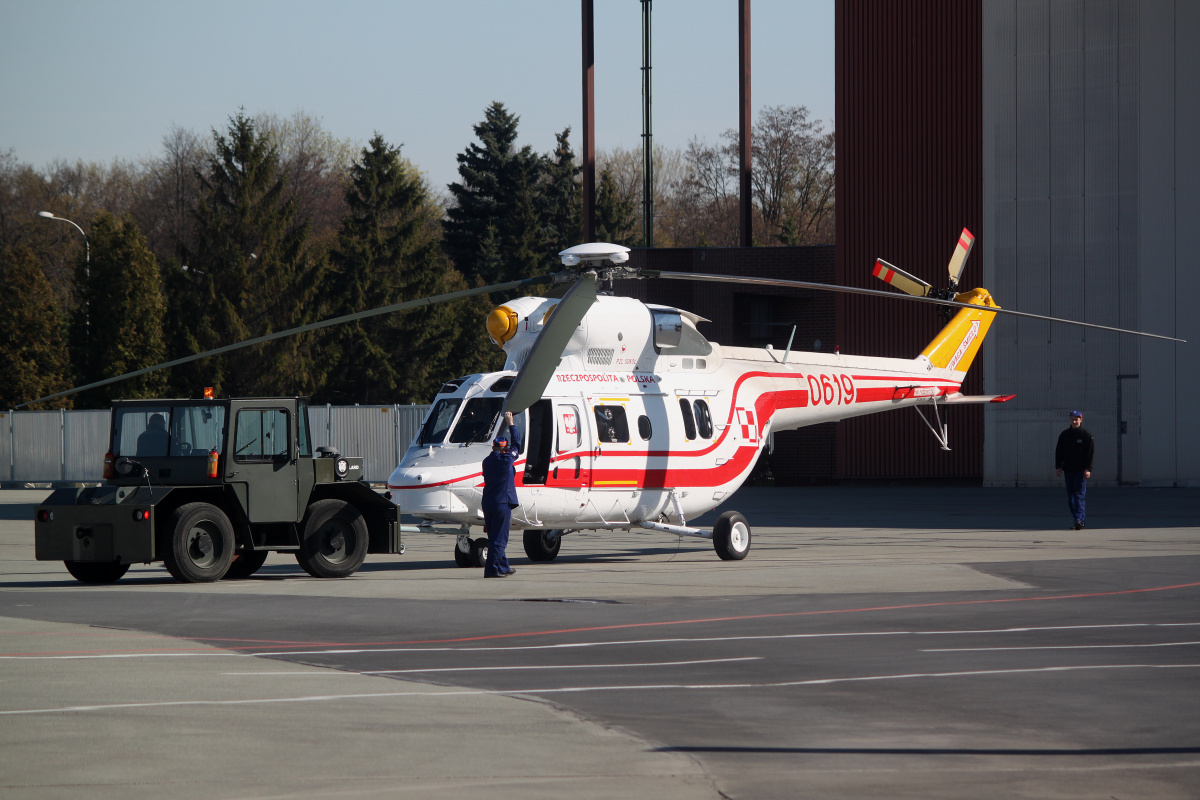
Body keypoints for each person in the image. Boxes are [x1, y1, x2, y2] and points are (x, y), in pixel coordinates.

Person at [480, 410, 521, 578]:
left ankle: (503, 566)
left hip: (488, 502)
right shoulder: (506, 460)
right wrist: (511, 423)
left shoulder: (487, 461)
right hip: (501, 503)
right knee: (500, 539)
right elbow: (517, 444)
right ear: (504, 449)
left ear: (493, 447)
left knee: (493, 536)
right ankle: (491, 570)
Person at [1055, 410, 1094, 530]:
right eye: (1072, 419)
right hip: (1068, 470)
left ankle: (1079, 519)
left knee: (1079, 495)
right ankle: (1077, 519)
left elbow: (1090, 454)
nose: (1074, 421)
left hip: (1080, 471)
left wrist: (1088, 469)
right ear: (1070, 420)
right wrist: (1058, 467)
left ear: (1081, 419)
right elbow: (1059, 452)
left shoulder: (1086, 435)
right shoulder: (1064, 435)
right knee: (1071, 498)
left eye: (1077, 419)